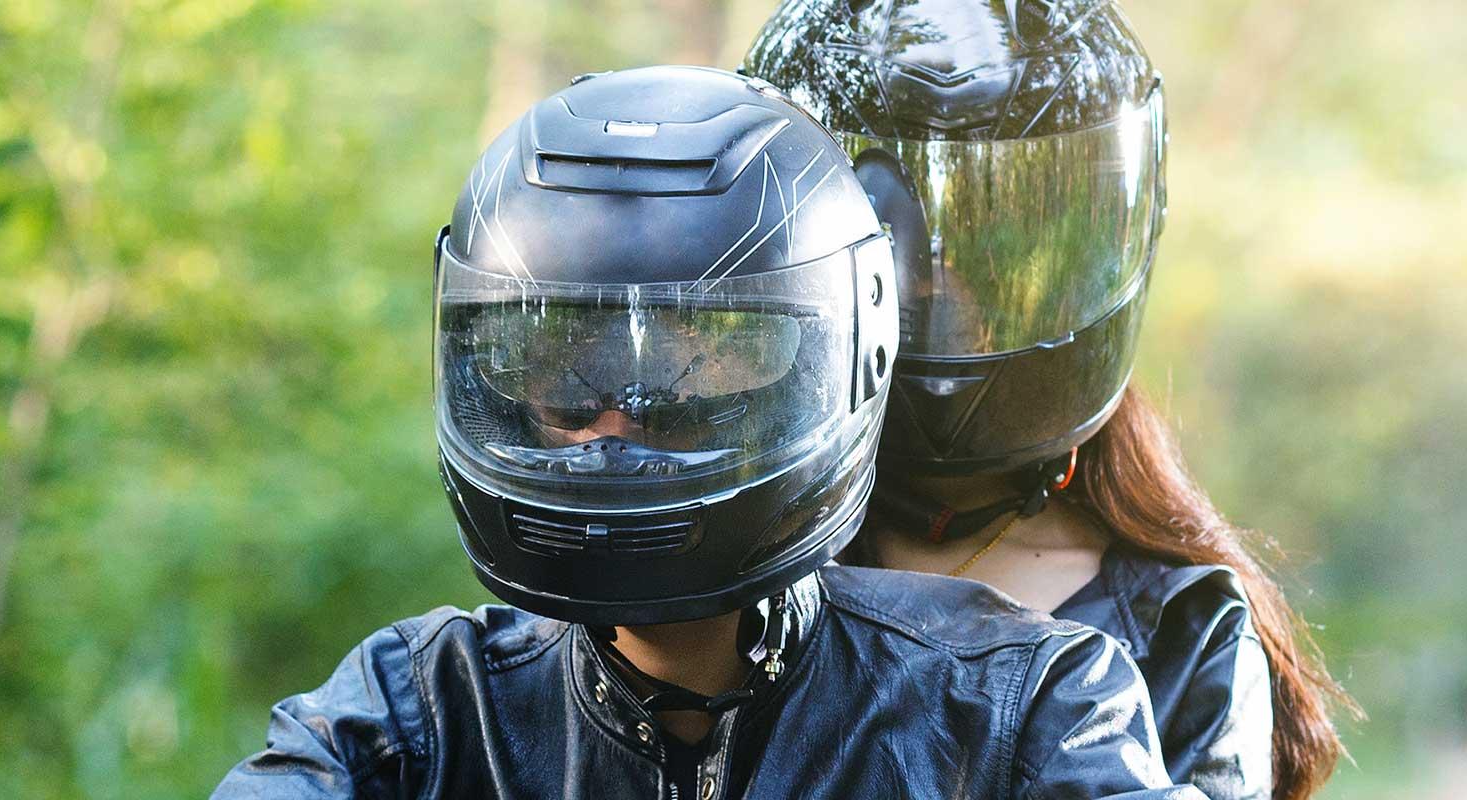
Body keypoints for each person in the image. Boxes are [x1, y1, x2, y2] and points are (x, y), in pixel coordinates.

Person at [213, 65, 1191, 800]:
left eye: (685, 393)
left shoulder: (1016, 704)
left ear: (831, 367)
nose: (614, 439)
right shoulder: (423, 708)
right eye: (567, 388)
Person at [746, 3, 1349, 799]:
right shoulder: (747, 583)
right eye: (898, 260)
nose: (931, 290)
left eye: (965, 264)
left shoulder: (1180, 632)